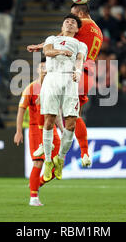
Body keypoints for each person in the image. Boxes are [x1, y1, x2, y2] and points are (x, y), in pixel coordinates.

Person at [27, 4, 104, 168]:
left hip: (76, 72)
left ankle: (54, 144)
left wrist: (39, 46)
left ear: (81, 13)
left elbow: (59, 38)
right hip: (86, 71)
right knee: (68, 112)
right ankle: (80, 152)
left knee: (48, 97)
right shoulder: (97, 31)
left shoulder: (84, 24)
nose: (72, 19)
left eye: (74, 15)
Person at [39, 14, 87, 182]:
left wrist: (78, 71)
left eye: (73, 22)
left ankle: (60, 158)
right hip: (52, 78)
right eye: (67, 21)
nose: (69, 23)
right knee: (49, 121)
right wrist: (60, 51)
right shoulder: (51, 38)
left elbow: (80, 59)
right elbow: (47, 51)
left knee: (71, 123)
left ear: (77, 29)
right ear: (62, 26)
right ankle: (47, 160)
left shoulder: (80, 44)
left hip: (69, 80)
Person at [14, 58, 62, 206]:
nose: (44, 70)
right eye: (42, 67)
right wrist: (19, 131)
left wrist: (62, 129)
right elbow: (21, 110)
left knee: (57, 165)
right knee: (38, 163)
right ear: (37, 70)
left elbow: (57, 112)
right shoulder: (30, 88)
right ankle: (33, 197)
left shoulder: (54, 88)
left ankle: (37, 183)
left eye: (47, 67)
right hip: (36, 130)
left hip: (51, 129)